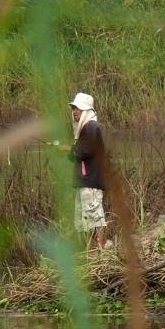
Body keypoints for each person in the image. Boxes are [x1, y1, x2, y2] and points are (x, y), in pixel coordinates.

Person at [69, 92, 110, 250]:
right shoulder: (84, 129)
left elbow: (81, 152)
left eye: (78, 109)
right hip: (84, 182)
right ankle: (91, 252)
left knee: (95, 218)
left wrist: (70, 150)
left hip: (91, 182)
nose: (75, 112)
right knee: (84, 221)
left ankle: (101, 251)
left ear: (86, 111)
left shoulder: (91, 127)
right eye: (73, 108)